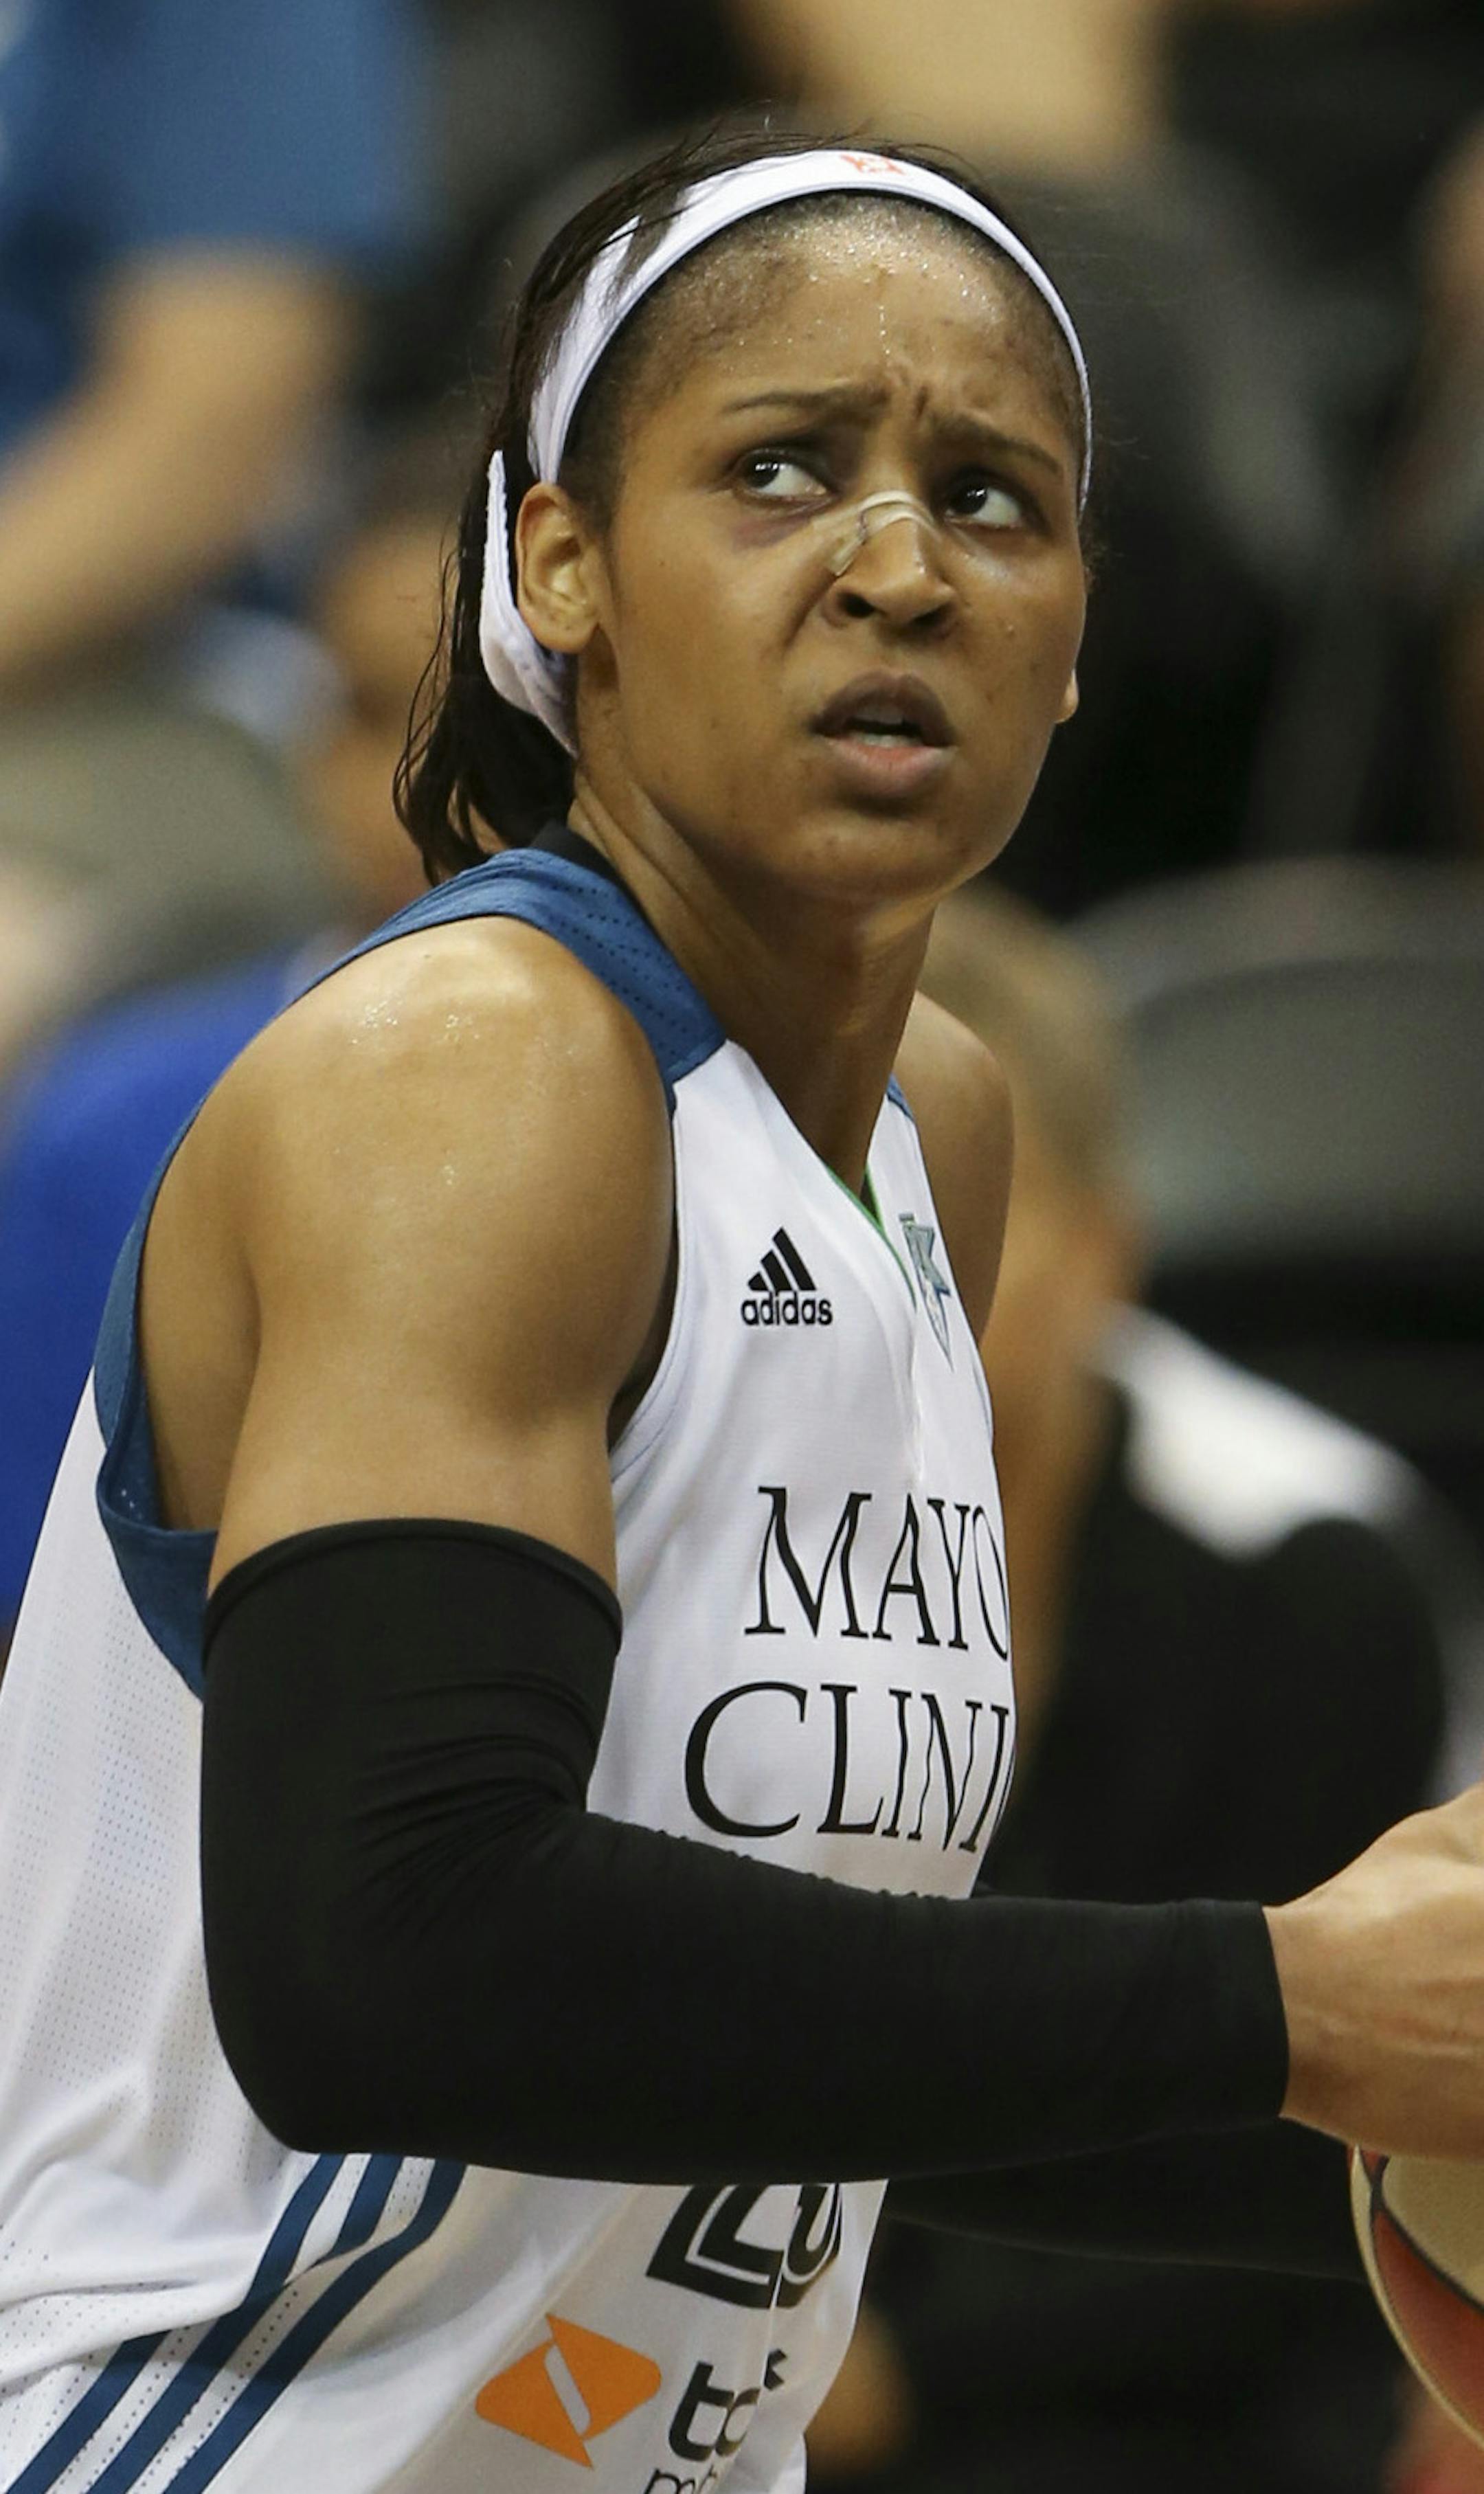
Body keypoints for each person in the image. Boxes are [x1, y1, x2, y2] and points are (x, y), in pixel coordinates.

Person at [5, 126, 1484, 2494]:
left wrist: (1381, 2097)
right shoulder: (477, 1071)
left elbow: (775, 2064)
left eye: (994, 499)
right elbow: (389, 1954)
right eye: (784, 471)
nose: (900, 564)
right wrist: (1280, 2000)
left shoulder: (939, 1139)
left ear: (1077, 634)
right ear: (562, 564)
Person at [807, 887, 1461, 2494]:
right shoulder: (646, 1511)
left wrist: (901, 2381)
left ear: (1111, 1247)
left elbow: (1306, 2179)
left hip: (1178, 2417)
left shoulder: (1309, 1575)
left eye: (961, 1213)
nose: (890, 1289)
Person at [0, 482, 445, 1654]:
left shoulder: (704, 1103)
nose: (411, 784)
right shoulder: (116, 1114)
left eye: (479, 724)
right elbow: (26, 1581)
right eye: (361, 712)